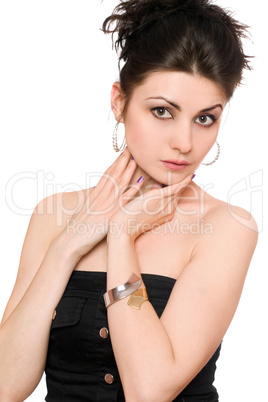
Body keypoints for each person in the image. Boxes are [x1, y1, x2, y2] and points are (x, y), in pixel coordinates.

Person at [0, 0, 258, 401]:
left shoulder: (226, 228)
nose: (185, 143)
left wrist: (121, 234)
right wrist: (68, 245)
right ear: (119, 102)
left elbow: (149, 391)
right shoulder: (54, 216)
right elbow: (6, 386)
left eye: (205, 118)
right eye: (162, 111)